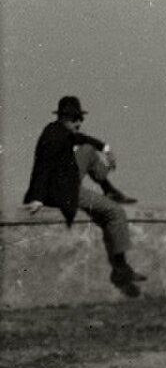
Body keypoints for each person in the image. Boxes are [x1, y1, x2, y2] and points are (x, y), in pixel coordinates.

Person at [24, 95, 145, 297]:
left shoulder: (59, 130)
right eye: (75, 119)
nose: (79, 123)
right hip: (64, 191)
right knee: (115, 212)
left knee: (88, 150)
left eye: (80, 118)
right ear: (64, 118)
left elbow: (83, 139)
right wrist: (37, 197)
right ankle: (120, 268)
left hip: (63, 181)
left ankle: (108, 189)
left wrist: (104, 147)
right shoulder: (54, 138)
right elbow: (42, 167)